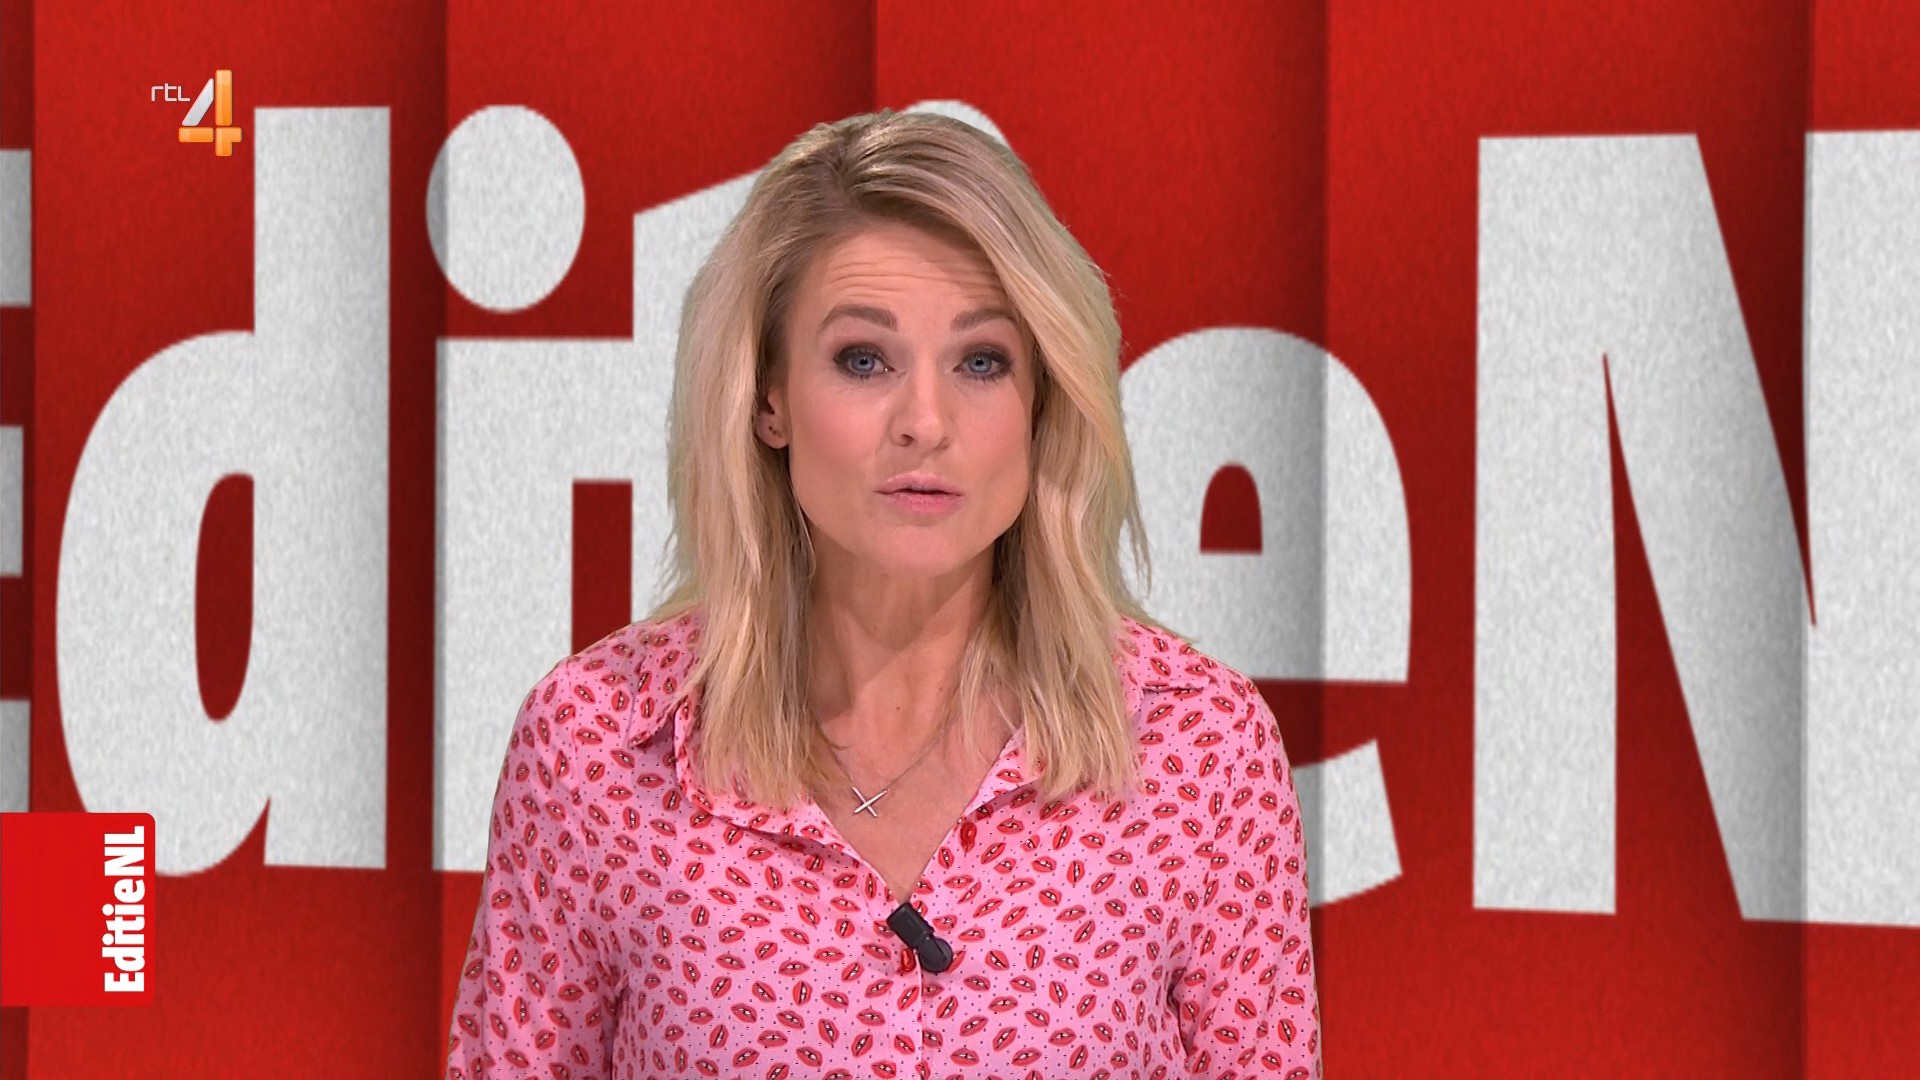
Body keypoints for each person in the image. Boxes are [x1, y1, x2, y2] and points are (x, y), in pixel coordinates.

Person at [445, 108, 1320, 1080]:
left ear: (1042, 400)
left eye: (981, 362)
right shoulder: (598, 746)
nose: (925, 421)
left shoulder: (1201, 749)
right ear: (768, 397)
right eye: (864, 360)